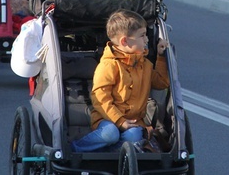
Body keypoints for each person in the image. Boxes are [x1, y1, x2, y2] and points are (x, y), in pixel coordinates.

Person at [70, 9, 169, 153]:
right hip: (107, 119)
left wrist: (161, 57)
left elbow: (162, 82)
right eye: (142, 36)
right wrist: (120, 121)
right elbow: (100, 99)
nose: (147, 40)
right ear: (125, 41)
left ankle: (107, 154)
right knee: (111, 133)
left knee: (134, 136)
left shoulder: (145, 65)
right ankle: (76, 149)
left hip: (134, 122)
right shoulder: (109, 65)